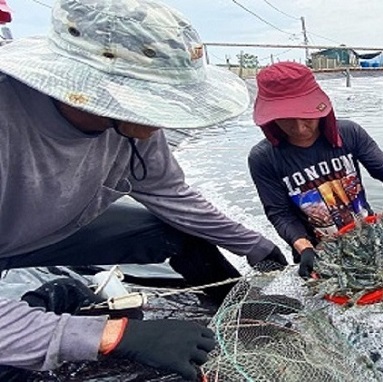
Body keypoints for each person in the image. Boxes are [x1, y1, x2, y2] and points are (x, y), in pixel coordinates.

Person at [0, 0, 288, 380]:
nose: (166, 116)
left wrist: (254, 245)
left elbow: (171, 195)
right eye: (155, 99)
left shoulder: (136, 127)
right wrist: (114, 335)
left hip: (49, 230)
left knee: (177, 233)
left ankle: (239, 315)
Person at [247, 62, 383, 279]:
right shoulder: (263, 158)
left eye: (305, 115)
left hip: (369, 236)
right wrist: (304, 248)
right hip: (318, 253)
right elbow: (280, 213)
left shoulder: (349, 133)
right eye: (285, 119)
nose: (299, 128)